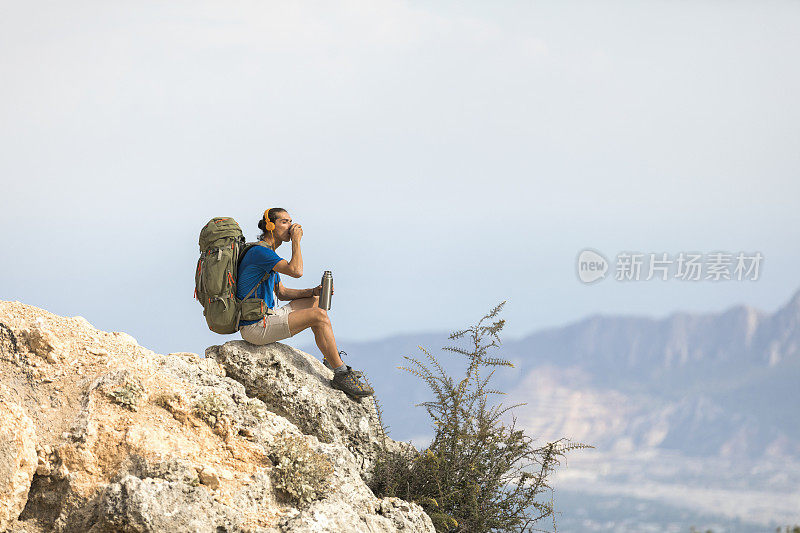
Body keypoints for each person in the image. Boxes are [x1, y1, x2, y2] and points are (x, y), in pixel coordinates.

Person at [237, 207, 374, 398]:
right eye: (284, 222)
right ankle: (341, 373)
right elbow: (297, 270)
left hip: (267, 316)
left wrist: (313, 292)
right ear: (270, 226)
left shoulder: (267, 253)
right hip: (255, 326)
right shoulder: (260, 252)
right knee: (318, 316)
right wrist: (296, 241)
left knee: (316, 302)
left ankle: (330, 359)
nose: (291, 225)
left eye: (290, 221)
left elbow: (282, 293)